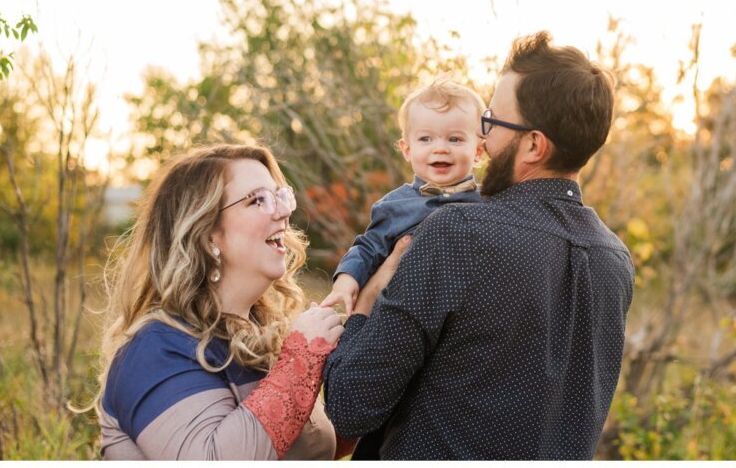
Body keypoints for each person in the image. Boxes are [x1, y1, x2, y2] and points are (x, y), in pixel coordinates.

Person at [323, 31, 636, 460]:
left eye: (490, 123)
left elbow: (349, 408)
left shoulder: (460, 233)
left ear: (533, 145)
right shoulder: (615, 260)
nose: (482, 140)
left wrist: (364, 304)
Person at [93, 144, 355, 460]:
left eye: (280, 196)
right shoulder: (156, 349)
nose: (284, 212)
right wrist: (301, 359)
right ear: (207, 235)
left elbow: (311, 447)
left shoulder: (259, 341)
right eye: (258, 200)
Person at [320, 76, 485, 315]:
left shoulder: (489, 203)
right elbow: (368, 247)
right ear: (407, 150)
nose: (440, 148)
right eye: (425, 138)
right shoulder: (395, 205)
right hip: (407, 312)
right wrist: (347, 278)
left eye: (455, 139)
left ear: (478, 151)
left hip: (467, 315)